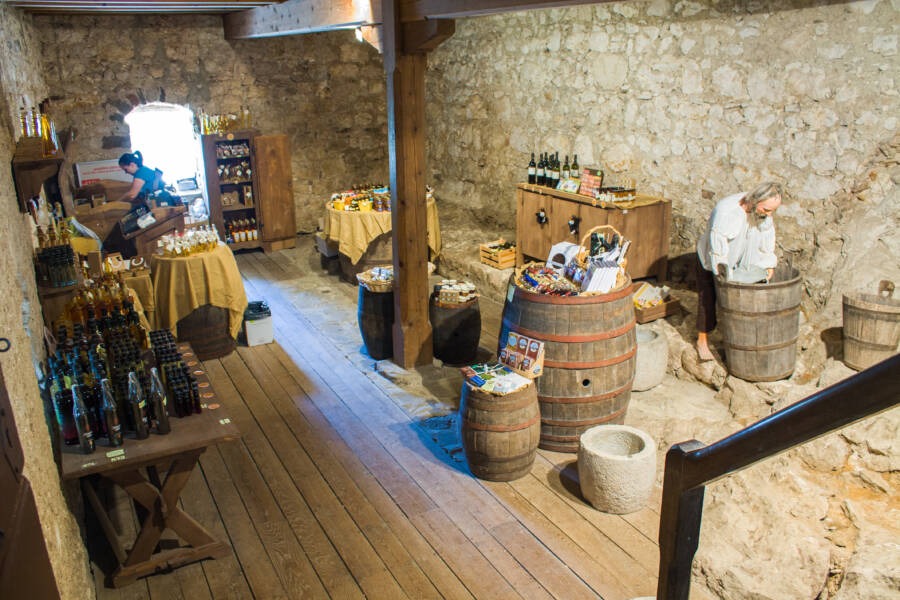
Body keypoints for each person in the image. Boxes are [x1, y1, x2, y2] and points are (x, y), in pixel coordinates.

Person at [695, 181, 783, 361]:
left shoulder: (762, 213)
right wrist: (722, 271)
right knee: (708, 299)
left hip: (740, 259)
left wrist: (768, 264)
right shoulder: (726, 212)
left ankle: (736, 339)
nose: (769, 214)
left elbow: (767, 236)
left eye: (772, 210)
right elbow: (717, 246)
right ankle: (702, 341)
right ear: (755, 200)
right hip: (713, 258)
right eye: (766, 210)